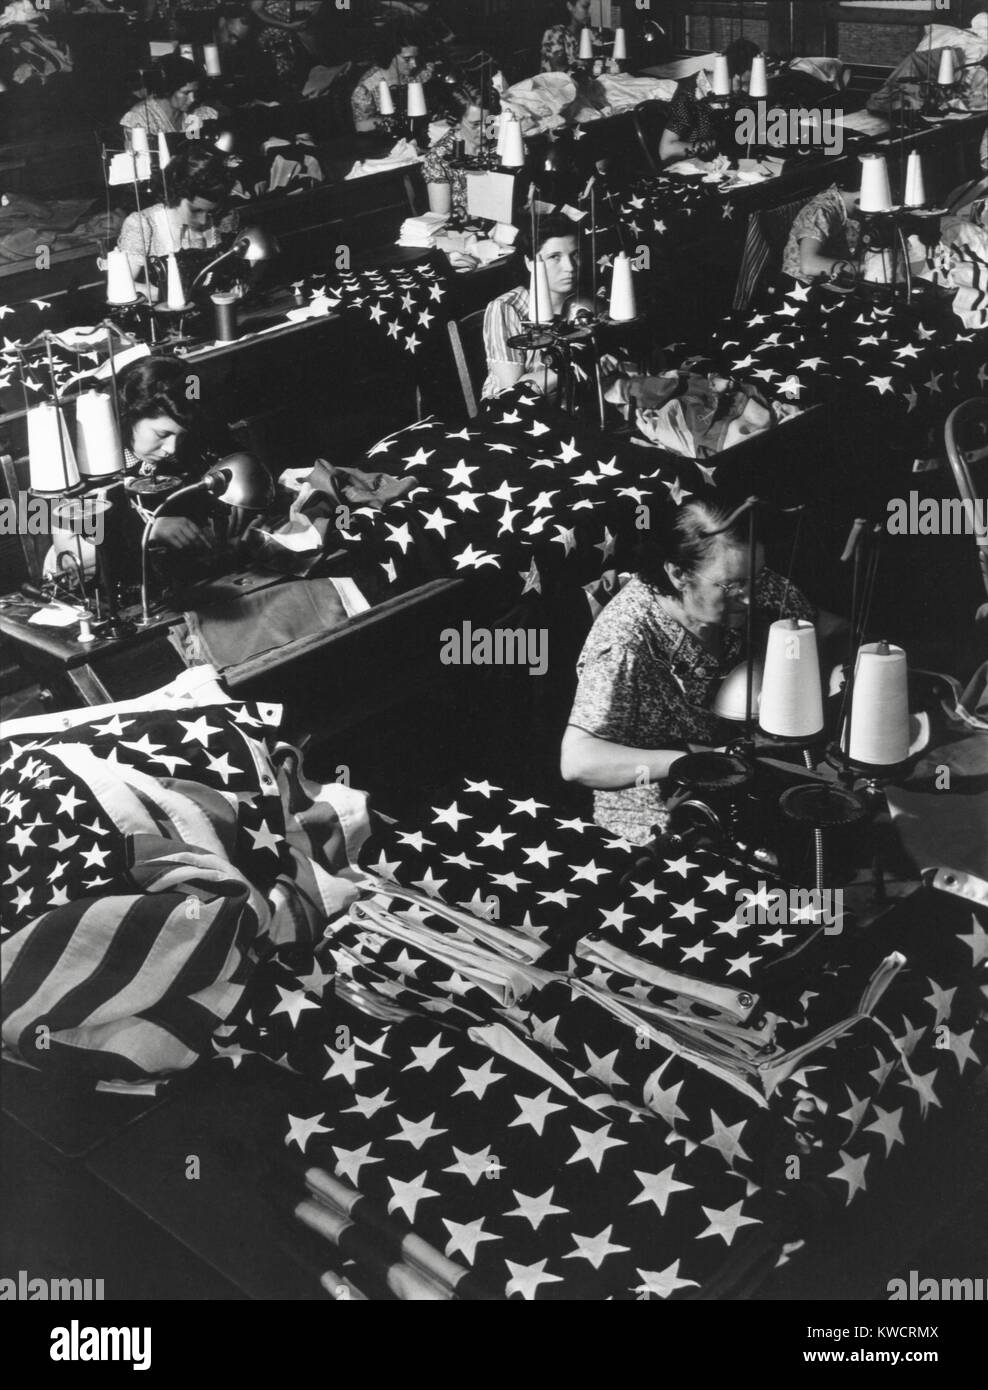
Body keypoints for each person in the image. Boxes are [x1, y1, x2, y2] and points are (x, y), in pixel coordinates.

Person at [560, 494, 821, 845]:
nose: (750, 597)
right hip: (657, 809)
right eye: (733, 585)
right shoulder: (626, 642)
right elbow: (578, 760)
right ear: (678, 573)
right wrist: (693, 764)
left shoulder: (758, 587)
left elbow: (821, 629)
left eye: (755, 577)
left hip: (756, 773)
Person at [481, 212, 578, 398]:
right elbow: (512, 390)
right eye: (555, 257)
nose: (570, 267)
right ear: (529, 262)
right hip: (516, 412)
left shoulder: (582, 302)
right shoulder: (507, 309)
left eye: (575, 255)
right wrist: (573, 368)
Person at [115, 145, 237, 288]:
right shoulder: (142, 224)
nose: (203, 220)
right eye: (196, 211)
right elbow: (121, 288)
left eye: (209, 212)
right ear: (176, 194)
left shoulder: (215, 220)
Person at [422, 84, 494, 219]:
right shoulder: (439, 157)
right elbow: (441, 217)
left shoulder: (501, 140)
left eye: (489, 122)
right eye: (476, 124)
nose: (485, 131)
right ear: (457, 122)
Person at [351, 31, 435, 131]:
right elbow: (361, 126)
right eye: (407, 59)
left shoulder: (419, 73)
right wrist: (393, 121)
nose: (414, 64)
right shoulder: (366, 89)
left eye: (415, 57)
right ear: (390, 55)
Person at [120, 53, 218, 140]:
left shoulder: (195, 114)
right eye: (186, 93)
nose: (192, 99)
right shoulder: (139, 119)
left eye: (194, 92)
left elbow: (194, 145)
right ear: (166, 90)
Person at [781, 182, 861, 285]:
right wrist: (865, 267)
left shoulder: (844, 205)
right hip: (802, 287)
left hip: (831, 282)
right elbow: (809, 265)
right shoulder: (821, 210)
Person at [656, 90, 720, 167]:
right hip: (688, 169)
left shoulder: (728, 97)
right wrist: (716, 145)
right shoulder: (688, 98)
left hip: (715, 163)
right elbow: (666, 150)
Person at [540, 0, 592, 73]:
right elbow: (558, 72)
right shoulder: (554, 34)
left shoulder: (588, 34)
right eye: (585, 7)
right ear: (570, 6)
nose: (590, 12)